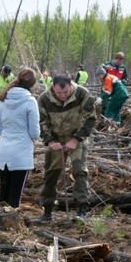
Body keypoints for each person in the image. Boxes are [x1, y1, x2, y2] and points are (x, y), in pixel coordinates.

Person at [36, 73, 97, 222]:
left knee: (79, 171)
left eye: (66, 92)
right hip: (55, 139)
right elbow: (42, 123)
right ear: (53, 88)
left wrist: (76, 139)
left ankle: (82, 210)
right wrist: (50, 141)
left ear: (71, 86)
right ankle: (47, 211)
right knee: (51, 173)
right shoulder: (43, 99)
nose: (63, 96)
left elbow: (90, 118)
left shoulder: (82, 93)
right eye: (59, 93)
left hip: (77, 137)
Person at [0, 67, 39, 208]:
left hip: (3, 151)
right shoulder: (30, 101)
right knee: (15, 194)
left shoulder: (2, 99)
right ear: (32, 84)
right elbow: (34, 132)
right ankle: (10, 219)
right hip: (21, 153)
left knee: (3, 191)